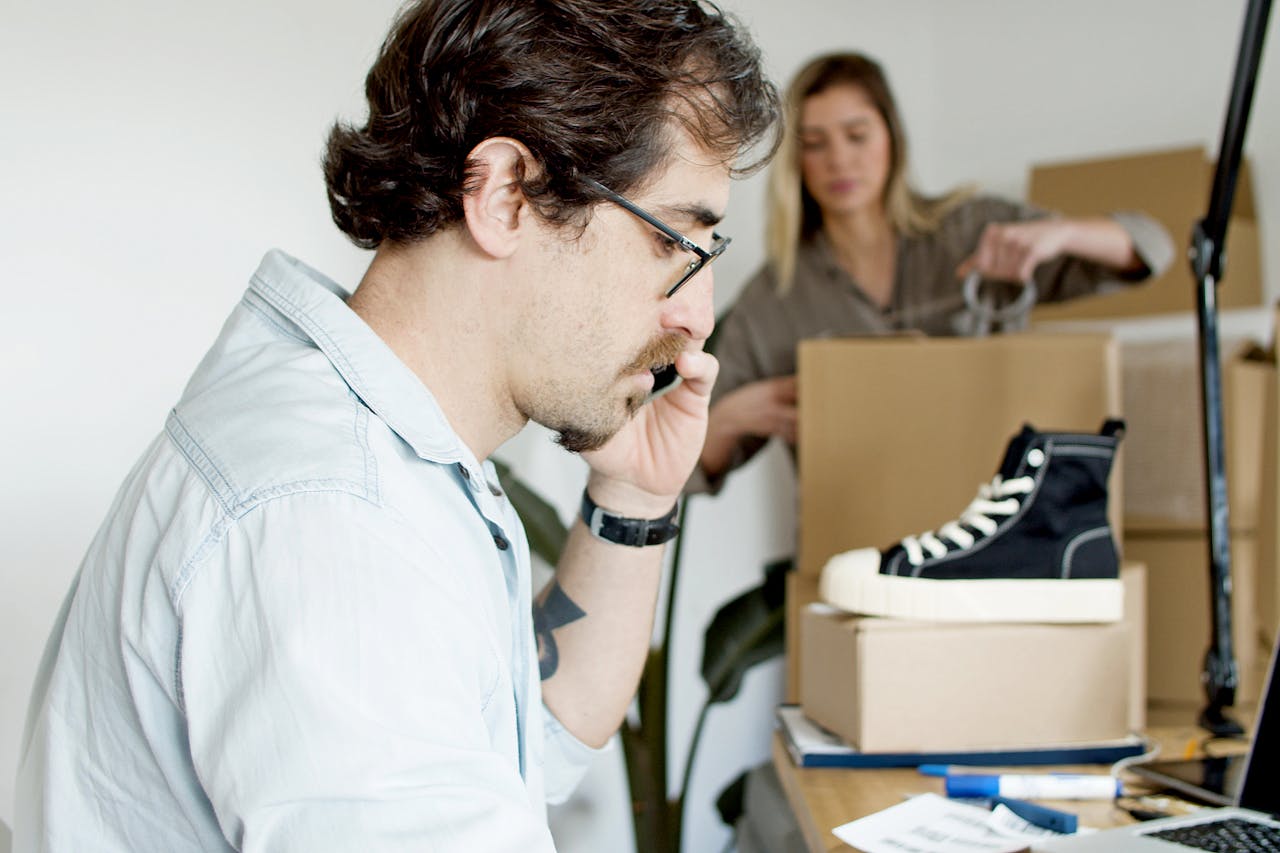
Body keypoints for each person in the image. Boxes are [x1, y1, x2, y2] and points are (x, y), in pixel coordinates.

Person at [14, 2, 779, 850]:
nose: (697, 316)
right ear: (505, 195)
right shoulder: (334, 519)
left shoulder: (375, 446)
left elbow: (540, 736)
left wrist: (633, 495)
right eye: (678, 242)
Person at [695, 51, 1173, 492]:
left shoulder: (971, 231)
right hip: (858, 541)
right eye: (815, 143)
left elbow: (1151, 248)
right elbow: (690, 471)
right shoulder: (773, 299)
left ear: (892, 137)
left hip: (994, 509)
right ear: (795, 160)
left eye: (857, 135)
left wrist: (1062, 234)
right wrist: (729, 419)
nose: (839, 159)